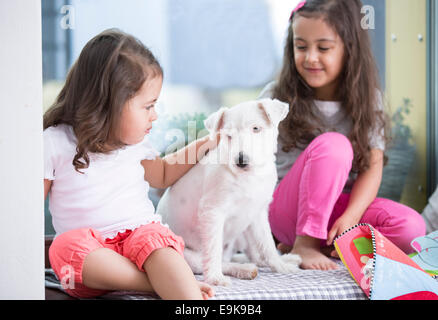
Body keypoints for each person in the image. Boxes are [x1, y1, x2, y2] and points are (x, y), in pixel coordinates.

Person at [44, 29, 216, 299]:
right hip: (91, 261)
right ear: (109, 103)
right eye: (148, 107)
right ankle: (152, 283)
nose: (155, 115)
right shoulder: (55, 141)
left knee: (155, 240)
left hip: (141, 241)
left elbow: (161, 174)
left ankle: (185, 296)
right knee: (63, 248)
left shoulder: (137, 143)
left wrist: (208, 142)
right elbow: (27, 213)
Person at [260, 0, 426, 270]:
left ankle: (331, 244)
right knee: (335, 146)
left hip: (336, 213)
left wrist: (351, 218)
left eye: (323, 48)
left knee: (412, 229)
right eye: (301, 47)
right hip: (286, 211)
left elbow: (372, 168)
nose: (310, 57)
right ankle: (305, 244)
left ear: (349, 49)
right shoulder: (274, 96)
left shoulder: (368, 99)